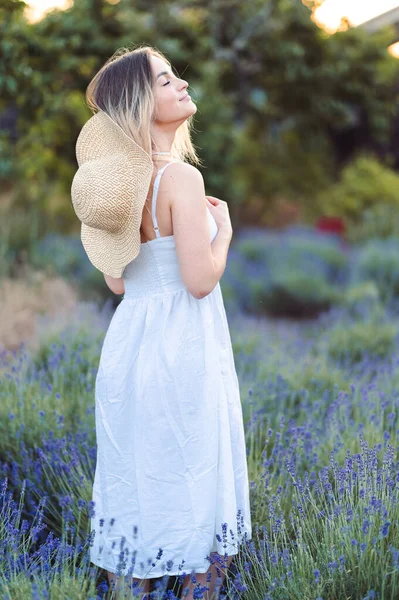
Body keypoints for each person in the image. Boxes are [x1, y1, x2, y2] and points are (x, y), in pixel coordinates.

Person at [71, 45, 252, 600]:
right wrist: (223, 234)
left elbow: (119, 282)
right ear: (140, 103)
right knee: (194, 475)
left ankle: (135, 589)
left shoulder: (119, 186)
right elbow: (199, 281)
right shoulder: (180, 179)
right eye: (166, 80)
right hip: (184, 349)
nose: (181, 84)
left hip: (131, 348)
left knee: (140, 475)